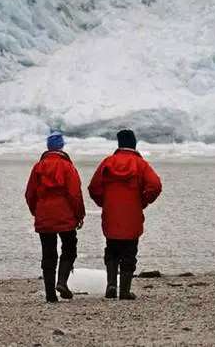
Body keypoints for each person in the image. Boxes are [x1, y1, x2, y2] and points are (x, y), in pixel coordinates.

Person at [88, 129, 162, 300]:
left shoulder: (108, 163)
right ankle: (124, 291)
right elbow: (155, 186)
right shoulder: (140, 164)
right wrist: (142, 201)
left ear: (119, 144)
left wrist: (105, 202)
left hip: (111, 214)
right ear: (134, 144)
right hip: (132, 214)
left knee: (112, 250)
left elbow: (94, 188)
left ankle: (111, 284)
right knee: (129, 253)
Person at [25, 131, 85, 303]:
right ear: (61, 146)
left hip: (44, 216)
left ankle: (50, 294)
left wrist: (37, 212)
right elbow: (75, 194)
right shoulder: (67, 167)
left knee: (48, 254)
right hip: (65, 216)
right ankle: (62, 281)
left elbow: (29, 194)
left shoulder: (38, 167)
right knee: (69, 248)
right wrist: (79, 215)